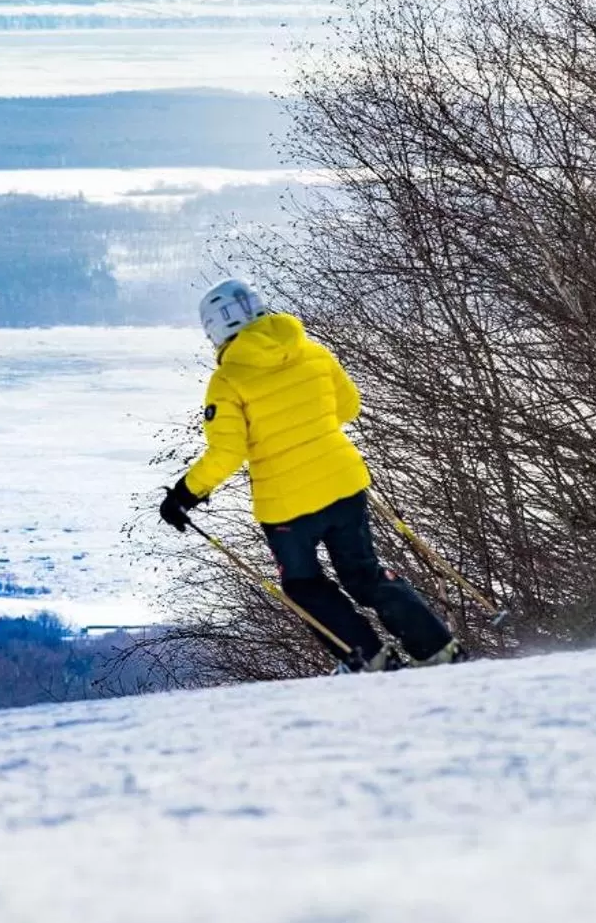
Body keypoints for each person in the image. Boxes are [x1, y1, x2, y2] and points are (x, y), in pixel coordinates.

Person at [159, 278, 459, 672]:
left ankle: (371, 660)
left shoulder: (228, 380)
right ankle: (438, 650)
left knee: (304, 587)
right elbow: (348, 407)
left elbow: (228, 452)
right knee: (364, 574)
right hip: (344, 483)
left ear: (214, 329)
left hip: (287, 508)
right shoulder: (312, 351)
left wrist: (184, 495)